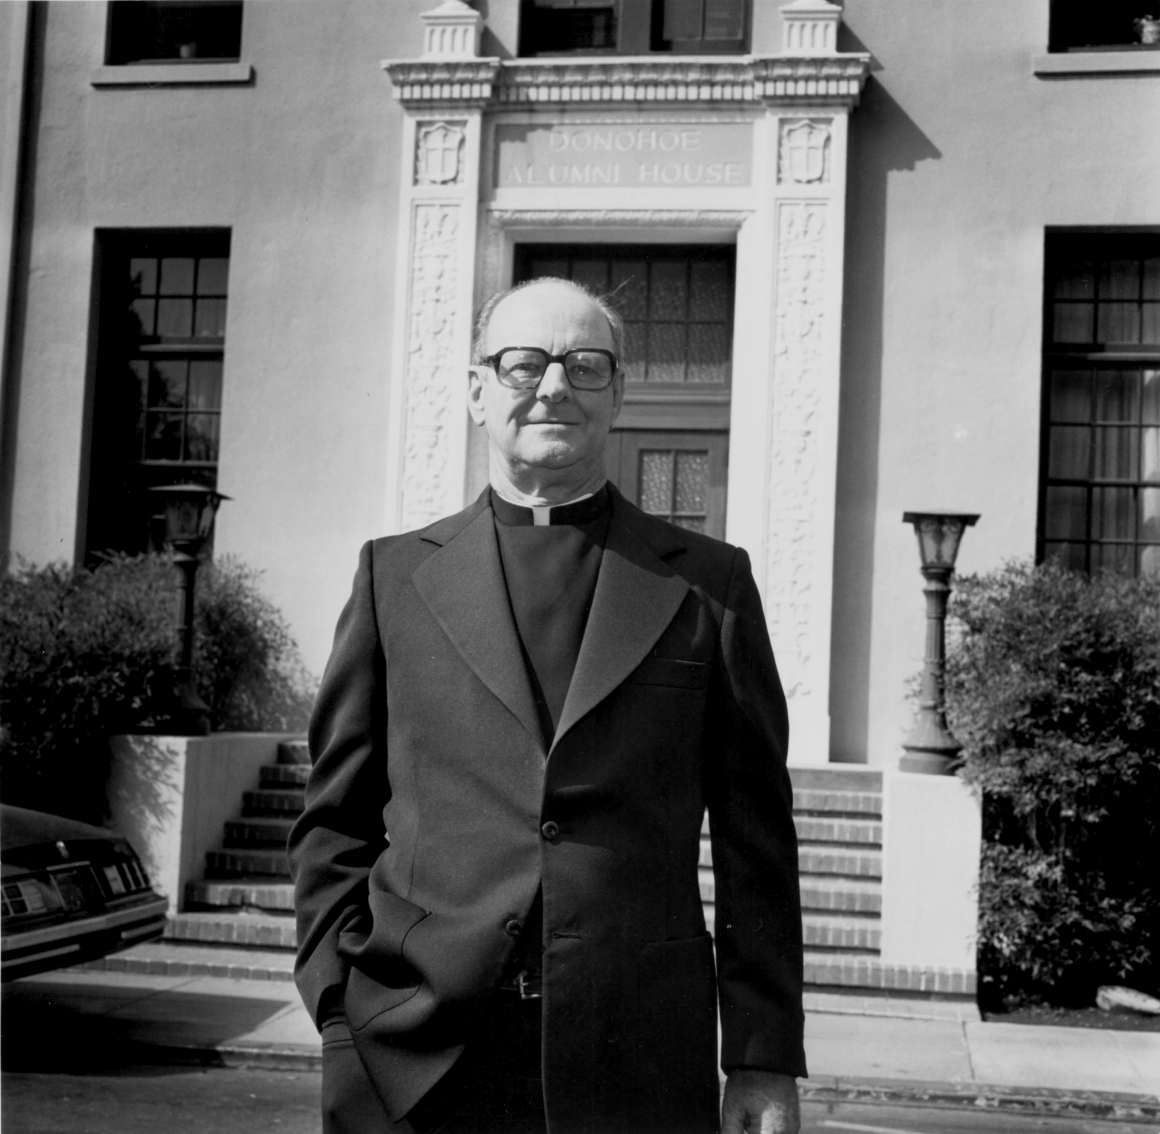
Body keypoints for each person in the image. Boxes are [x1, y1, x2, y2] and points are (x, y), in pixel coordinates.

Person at [288, 277, 805, 1134]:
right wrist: (340, 1012)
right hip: (414, 1060)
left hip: (638, 1059)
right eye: (524, 363)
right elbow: (334, 823)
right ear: (477, 392)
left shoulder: (710, 586)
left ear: (618, 394)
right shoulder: (392, 580)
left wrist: (762, 1056)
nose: (554, 385)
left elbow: (757, 846)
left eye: (585, 364)